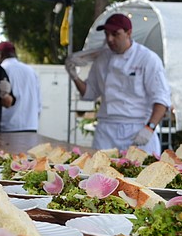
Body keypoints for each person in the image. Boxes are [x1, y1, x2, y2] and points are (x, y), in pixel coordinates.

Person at [68, 13, 171, 155]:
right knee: (101, 172)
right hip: (106, 130)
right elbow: (89, 93)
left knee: (140, 173)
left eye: (115, 34)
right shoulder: (102, 59)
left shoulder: (147, 59)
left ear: (129, 33)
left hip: (137, 127)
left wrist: (149, 128)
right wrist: (74, 76)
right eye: (107, 34)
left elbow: (161, 99)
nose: (110, 39)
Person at [0, 41, 41, 133]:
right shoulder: (31, 71)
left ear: (0, 54)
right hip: (30, 126)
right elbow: (39, 102)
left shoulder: (1, 70)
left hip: (8, 127)